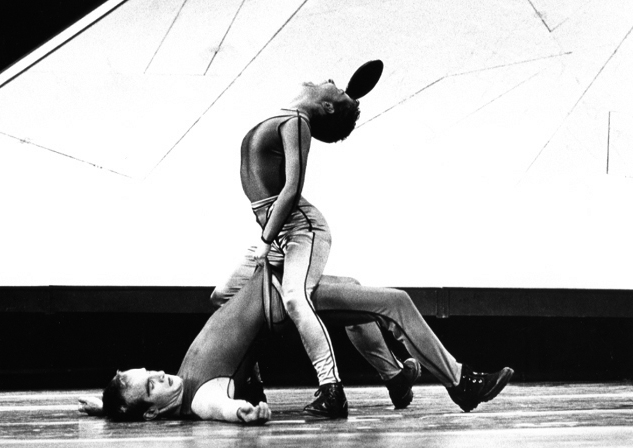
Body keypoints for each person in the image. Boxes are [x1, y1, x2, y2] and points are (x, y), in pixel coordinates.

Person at [78, 264, 514, 424]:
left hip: (278, 288)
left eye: (149, 372)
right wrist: (242, 413)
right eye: (151, 385)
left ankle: (395, 377)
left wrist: (109, 406)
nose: (159, 375)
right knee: (395, 302)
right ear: (155, 411)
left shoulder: (175, 385)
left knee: (356, 292)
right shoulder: (200, 396)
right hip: (285, 300)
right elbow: (220, 407)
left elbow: (133, 405)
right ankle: (461, 382)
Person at [213, 75, 362, 418]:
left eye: (337, 88)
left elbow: (292, 188)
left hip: (299, 229)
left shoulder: (298, 122)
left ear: (326, 106)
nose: (330, 79)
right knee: (224, 295)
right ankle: (251, 381)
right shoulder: (286, 119)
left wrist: (266, 240)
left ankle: (332, 389)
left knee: (296, 297)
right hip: (279, 232)